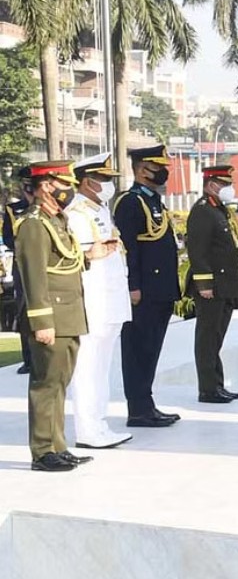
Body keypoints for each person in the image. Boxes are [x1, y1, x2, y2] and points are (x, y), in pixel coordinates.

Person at [16, 161, 92, 471]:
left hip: (69, 313)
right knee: (46, 384)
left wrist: (91, 256)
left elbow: (64, 262)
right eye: (64, 183)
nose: (68, 190)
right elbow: (34, 277)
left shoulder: (56, 219)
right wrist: (42, 322)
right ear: (47, 185)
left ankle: (57, 445)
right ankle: (42, 451)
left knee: (60, 382)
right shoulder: (34, 223)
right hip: (52, 317)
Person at [66, 153, 133, 448]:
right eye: (104, 179)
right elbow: (83, 256)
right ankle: (87, 429)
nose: (108, 184)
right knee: (87, 366)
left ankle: (99, 423)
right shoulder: (77, 212)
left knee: (102, 366)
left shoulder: (102, 209)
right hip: (92, 300)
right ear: (87, 181)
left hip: (111, 299)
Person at [113, 144, 181, 427]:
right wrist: (133, 286)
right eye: (158, 167)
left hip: (160, 288)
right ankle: (138, 409)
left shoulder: (153, 201)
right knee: (138, 349)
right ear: (143, 170)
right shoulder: (130, 202)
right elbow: (129, 249)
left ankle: (146, 404)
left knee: (151, 348)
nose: (164, 172)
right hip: (143, 290)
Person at [186, 165, 238, 404]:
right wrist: (204, 284)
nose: (230, 189)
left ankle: (217, 385)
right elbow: (198, 251)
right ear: (211, 185)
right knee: (207, 338)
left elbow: (229, 247)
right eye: (225, 184)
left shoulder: (221, 211)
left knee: (216, 337)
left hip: (226, 284)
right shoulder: (203, 211)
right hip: (212, 286)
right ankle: (207, 389)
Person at [3, 167, 34, 375]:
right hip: (23, 266)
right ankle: (29, 359)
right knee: (25, 311)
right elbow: (8, 239)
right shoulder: (13, 211)